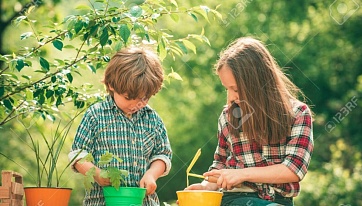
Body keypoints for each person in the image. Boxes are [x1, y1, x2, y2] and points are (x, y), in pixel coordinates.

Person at [185, 37, 314, 206]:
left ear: (256, 84)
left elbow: (294, 169)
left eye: (236, 89)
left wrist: (243, 174)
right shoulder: (228, 116)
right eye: (227, 89)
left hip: (279, 201)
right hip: (235, 199)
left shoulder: (298, 114)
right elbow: (221, 163)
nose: (231, 97)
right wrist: (206, 187)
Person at [68, 47, 172, 206]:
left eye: (143, 98)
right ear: (111, 85)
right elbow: (77, 155)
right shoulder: (96, 115)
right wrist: (96, 174)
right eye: (128, 97)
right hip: (101, 202)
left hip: (143, 202)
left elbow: (163, 155)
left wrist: (152, 174)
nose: (136, 104)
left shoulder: (153, 119)